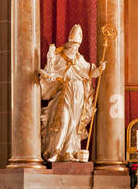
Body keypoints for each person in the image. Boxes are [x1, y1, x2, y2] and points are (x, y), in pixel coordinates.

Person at [38, 24, 103, 162]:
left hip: (79, 94)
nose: (75, 48)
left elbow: (91, 72)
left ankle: (68, 152)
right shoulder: (59, 56)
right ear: (69, 44)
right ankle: (55, 151)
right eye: (73, 45)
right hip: (66, 92)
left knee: (74, 124)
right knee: (63, 121)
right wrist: (49, 73)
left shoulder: (80, 59)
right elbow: (50, 70)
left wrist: (100, 68)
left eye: (77, 45)